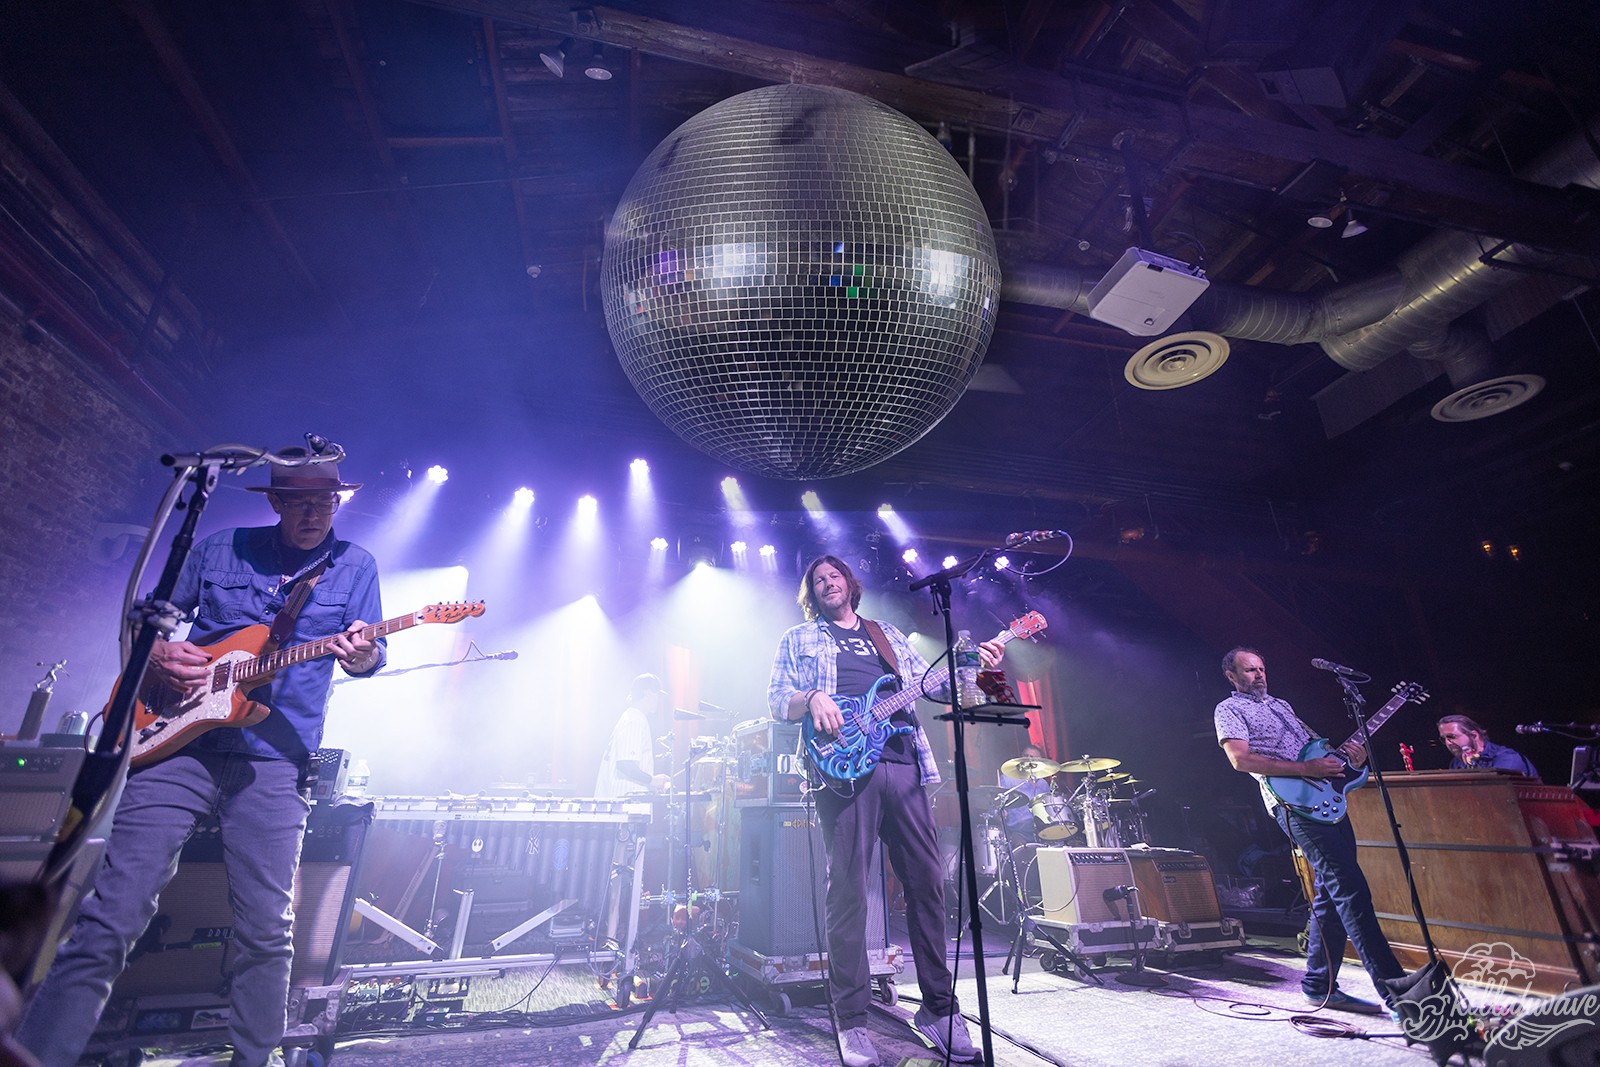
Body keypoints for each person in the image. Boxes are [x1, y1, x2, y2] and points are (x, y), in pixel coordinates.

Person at [17, 453, 384, 1067]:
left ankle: (254, 1060)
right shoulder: (220, 549)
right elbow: (146, 626)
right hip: (177, 746)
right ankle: (38, 1055)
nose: (316, 514)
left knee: (267, 930)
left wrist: (360, 656)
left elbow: (366, 654)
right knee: (111, 915)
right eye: (301, 503)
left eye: (327, 504)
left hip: (274, 758)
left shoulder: (355, 567)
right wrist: (158, 654)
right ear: (275, 502)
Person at [767, 555, 1003, 1067]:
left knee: (927, 886)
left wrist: (970, 664)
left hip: (905, 765)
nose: (828, 584)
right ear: (812, 594)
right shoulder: (798, 639)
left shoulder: (887, 634)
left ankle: (939, 1010)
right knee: (849, 894)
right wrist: (810, 698)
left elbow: (936, 687)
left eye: (835, 577)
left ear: (851, 585)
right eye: (818, 581)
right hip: (845, 769)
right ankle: (851, 1021)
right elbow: (775, 700)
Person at [1213, 647, 1404, 1016]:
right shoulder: (1229, 709)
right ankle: (1399, 995)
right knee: (1351, 889)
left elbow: (1314, 752)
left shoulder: (1282, 706)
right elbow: (1240, 759)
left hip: (1325, 801)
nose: (1259, 674)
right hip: (1292, 803)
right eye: (1249, 670)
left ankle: (1319, 986)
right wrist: (1308, 770)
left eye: (1262, 668)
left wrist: (1347, 756)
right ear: (1231, 676)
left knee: (1332, 894)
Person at [594, 673, 673, 798]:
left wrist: (651, 784)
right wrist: (653, 780)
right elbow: (625, 764)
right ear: (647, 692)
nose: (658, 700)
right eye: (657, 694)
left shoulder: (630, 717)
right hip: (624, 804)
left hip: (621, 802)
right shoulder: (635, 719)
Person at [1437, 714, 1539, 778]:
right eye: (1444, 738)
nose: (1448, 742)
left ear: (1474, 735)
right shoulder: (1457, 763)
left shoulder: (1507, 757)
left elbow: (1497, 793)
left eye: (1452, 736)